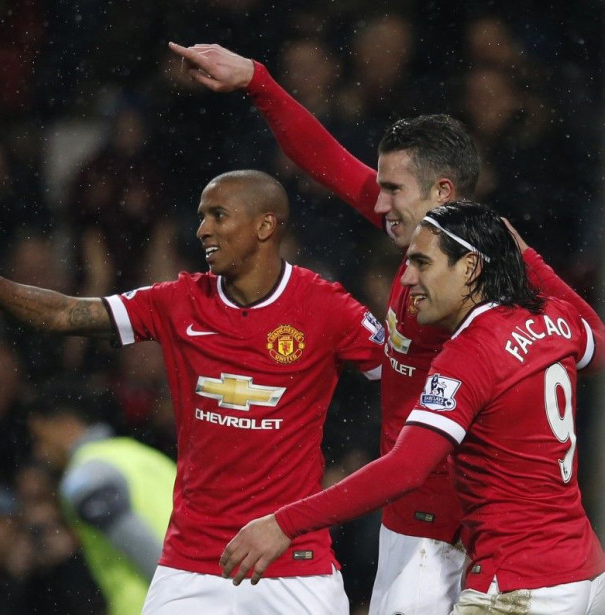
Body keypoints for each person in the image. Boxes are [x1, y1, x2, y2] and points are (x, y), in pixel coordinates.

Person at [168, 42, 605, 614]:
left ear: (442, 193)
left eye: (394, 189)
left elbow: (585, 339)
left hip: (447, 530)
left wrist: (287, 521)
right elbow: (325, 160)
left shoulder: (481, 299)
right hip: (457, 530)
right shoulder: (434, 250)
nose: (379, 200)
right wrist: (258, 81)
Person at [0, 169, 386, 614]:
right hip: (192, 564)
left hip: (294, 564)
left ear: (265, 226)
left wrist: (365, 458)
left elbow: (403, 381)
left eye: (218, 215)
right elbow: (65, 315)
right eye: (202, 216)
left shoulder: (327, 308)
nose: (202, 230)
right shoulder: (178, 301)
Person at [220, 202, 605, 614]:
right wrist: (530, 259)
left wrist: (284, 523)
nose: (407, 277)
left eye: (422, 262)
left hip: (516, 588)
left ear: (471, 267)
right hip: (586, 575)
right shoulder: (555, 317)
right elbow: (599, 344)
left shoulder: (468, 354)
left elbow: (405, 469)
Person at [26, 392, 176, 615]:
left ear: (65, 425)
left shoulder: (84, 476)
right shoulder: (144, 456)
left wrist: (179, 600)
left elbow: (139, 543)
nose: (38, 451)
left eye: (40, 438)